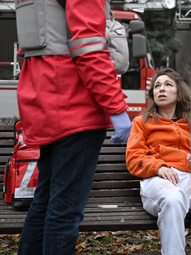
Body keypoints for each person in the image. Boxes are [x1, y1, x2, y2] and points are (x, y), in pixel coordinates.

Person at [16, 0, 132, 254]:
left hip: (44, 102)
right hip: (75, 105)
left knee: (45, 202)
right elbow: (88, 49)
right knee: (65, 211)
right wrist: (117, 108)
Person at [126, 67, 191, 255]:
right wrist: (158, 167)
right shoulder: (142, 122)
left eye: (167, 84)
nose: (161, 89)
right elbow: (134, 158)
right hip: (156, 179)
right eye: (157, 86)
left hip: (188, 176)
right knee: (173, 199)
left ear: (179, 94)